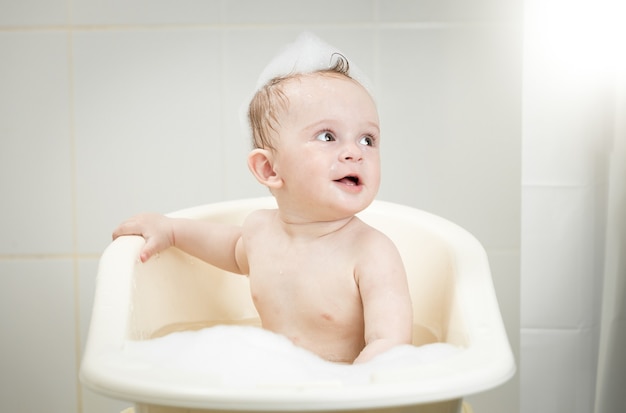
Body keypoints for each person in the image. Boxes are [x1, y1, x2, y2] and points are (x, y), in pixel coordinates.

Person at [113, 34, 413, 364]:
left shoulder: (372, 253)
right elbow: (228, 247)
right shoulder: (259, 231)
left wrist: (355, 387)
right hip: (271, 385)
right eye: (327, 136)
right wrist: (170, 230)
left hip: (341, 396)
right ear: (269, 168)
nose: (355, 152)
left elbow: (390, 346)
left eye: (368, 139)